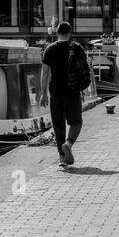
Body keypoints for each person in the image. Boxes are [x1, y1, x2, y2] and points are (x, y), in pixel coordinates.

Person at [42, 22, 86, 167]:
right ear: (70, 33)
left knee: (58, 125)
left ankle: (62, 158)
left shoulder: (49, 49)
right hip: (72, 91)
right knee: (76, 122)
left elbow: (44, 74)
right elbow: (84, 70)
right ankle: (68, 143)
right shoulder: (76, 47)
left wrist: (42, 93)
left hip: (55, 92)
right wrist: (83, 87)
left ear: (57, 33)